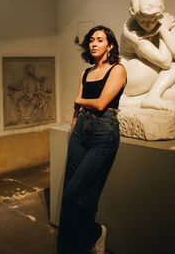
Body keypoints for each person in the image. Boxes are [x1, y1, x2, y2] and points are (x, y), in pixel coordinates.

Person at [57, 25, 127, 254]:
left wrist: (79, 100)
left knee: (72, 194)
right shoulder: (86, 73)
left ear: (110, 45)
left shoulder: (117, 69)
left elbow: (99, 103)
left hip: (103, 131)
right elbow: (78, 107)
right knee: (77, 193)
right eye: (91, 40)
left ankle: (95, 232)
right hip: (81, 131)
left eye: (99, 40)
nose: (93, 44)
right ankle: (72, 248)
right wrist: (75, 119)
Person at [120, 0, 175, 110]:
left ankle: (147, 98)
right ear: (135, 17)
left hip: (151, 76)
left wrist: (163, 29)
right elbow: (165, 62)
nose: (147, 25)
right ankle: (152, 96)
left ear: (159, 14)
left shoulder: (165, 19)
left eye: (152, 20)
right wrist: (163, 30)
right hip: (130, 77)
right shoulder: (130, 28)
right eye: (142, 21)